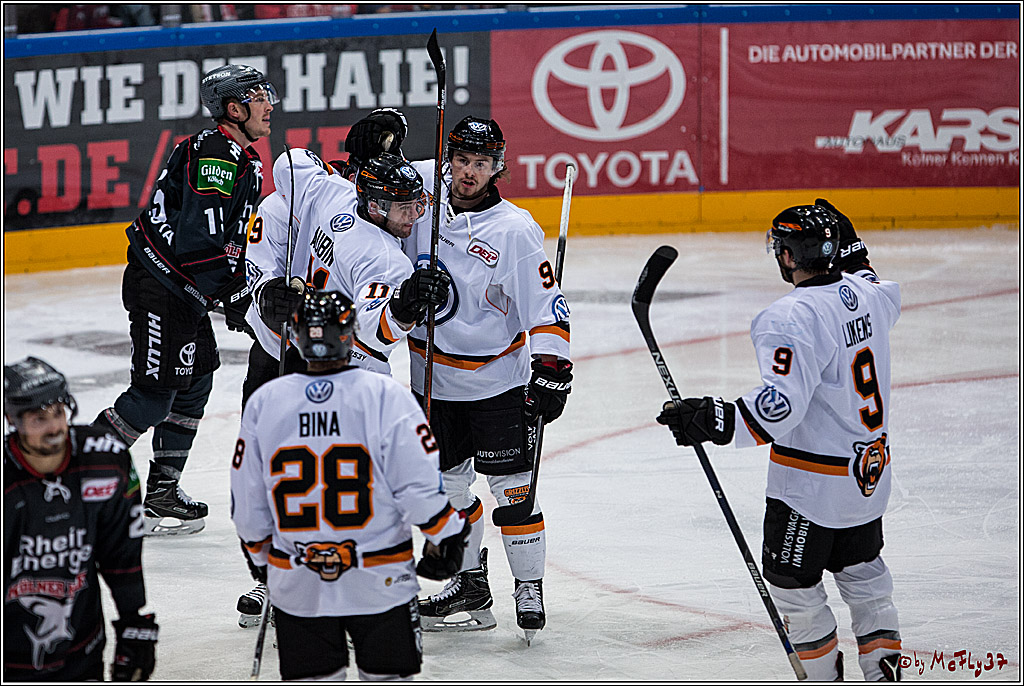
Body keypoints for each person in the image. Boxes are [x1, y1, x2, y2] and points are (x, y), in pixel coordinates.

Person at [655, 200, 902, 681]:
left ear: (787, 256)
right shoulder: (870, 296)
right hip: (867, 479)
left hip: (810, 489)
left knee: (795, 588)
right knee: (865, 577)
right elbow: (866, 272)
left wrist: (714, 419)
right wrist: (848, 244)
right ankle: (884, 672)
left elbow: (779, 409)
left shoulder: (790, 316)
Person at [230, 290, 471, 680]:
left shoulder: (266, 402)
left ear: (295, 335)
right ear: (349, 334)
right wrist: (447, 534)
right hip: (380, 579)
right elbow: (418, 489)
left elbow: (248, 501)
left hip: (300, 582)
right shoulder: (386, 396)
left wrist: (260, 558)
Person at [234, 108, 414, 627]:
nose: (414, 214)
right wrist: (262, 289)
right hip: (281, 353)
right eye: (402, 203)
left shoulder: (336, 198)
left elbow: (291, 163)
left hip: (336, 372)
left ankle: (348, 572)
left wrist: (399, 311)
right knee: (280, 470)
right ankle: (276, 576)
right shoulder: (352, 217)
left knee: (334, 476)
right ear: (372, 197)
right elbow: (287, 178)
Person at [404, 117, 573, 641]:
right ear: (447, 160)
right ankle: (470, 585)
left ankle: (529, 585)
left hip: (497, 383)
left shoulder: (515, 229)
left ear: (497, 167)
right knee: (449, 487)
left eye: (480, 163)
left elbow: (547, 307)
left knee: (513, 490)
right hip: (432, 383)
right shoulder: (420, 206)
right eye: (460, 160)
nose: (468, 172)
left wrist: (551, 369)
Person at [92, 64, 277, 536]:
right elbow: (199, 243)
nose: (269, 104)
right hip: (163, 288)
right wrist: (238, 294)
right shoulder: (218, 154)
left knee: (194, 382)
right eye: (259, 97)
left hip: (184, 290)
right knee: (153, 397)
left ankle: (160, 493)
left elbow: (216, 244)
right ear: (234, 108)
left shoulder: (233, 152)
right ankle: (74, 481)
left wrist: (235, 287)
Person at [4, 357, 158, 681]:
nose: (54, 428)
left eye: (59, 413)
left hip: (82, 648)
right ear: (11, 420)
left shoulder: (105, 459)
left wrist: (136, 623)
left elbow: (122, 556)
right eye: (39, 419)